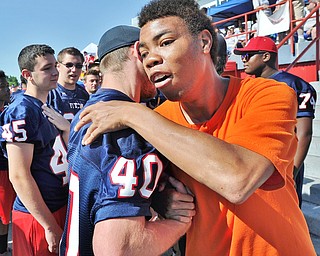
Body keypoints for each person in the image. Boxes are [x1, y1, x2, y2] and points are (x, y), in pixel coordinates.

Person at [74, 0, 316, 255]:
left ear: (204, 42)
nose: (152, 59)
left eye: (165, 43)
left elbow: (238, 180)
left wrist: (133, 113)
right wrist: (160, 199)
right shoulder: (157, 119)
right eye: (144, 54)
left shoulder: (267, 94)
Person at [59, 25, 194, 256]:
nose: (158, 63)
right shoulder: (124, 129)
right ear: (136, 51)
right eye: (151, 54)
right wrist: (180, 223)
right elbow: (120, 249)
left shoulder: (93, 110)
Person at [0, 44, 70, 255]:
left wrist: (67, 129)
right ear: (27, 74)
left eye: (55, 66)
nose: (55, 72)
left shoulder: (47, 105)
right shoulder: (21, 110)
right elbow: (19, 175)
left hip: (58, 204)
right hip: (39, 215)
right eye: (47, 68)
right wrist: (48, 225)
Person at [233, 36, 317, 207]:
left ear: (265, 57)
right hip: (256, 161)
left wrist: (292, 172)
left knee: (286, 214)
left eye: (248, 55)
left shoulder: (294, 85)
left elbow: (304, 132)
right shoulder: (247, 86)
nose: (244, 60)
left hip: (283, 163)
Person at [47, 47, 89, 122]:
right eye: (69, 65)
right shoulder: (50, 93)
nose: (74, 70)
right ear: (58, 66)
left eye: (78, 66)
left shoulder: (84, 94)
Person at [0, 70, 13, 256]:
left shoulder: (6, 111)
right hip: (2, 169)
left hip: (7, 167)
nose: (7, 89)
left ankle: (2, 247)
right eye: (2, 87)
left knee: (5, 213)